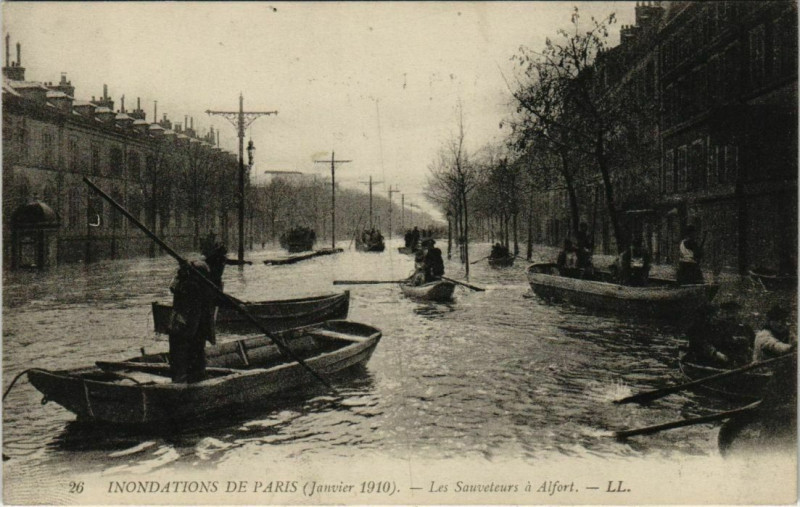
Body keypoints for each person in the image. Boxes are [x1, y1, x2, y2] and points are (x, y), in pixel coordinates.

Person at [168, 260, 217, 383]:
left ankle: (188, 380)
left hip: (188, 327)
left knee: (188, 356)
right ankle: (187, 380)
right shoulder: (191, 285)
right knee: (189, 355)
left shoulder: (192, 285)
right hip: (187, 326)